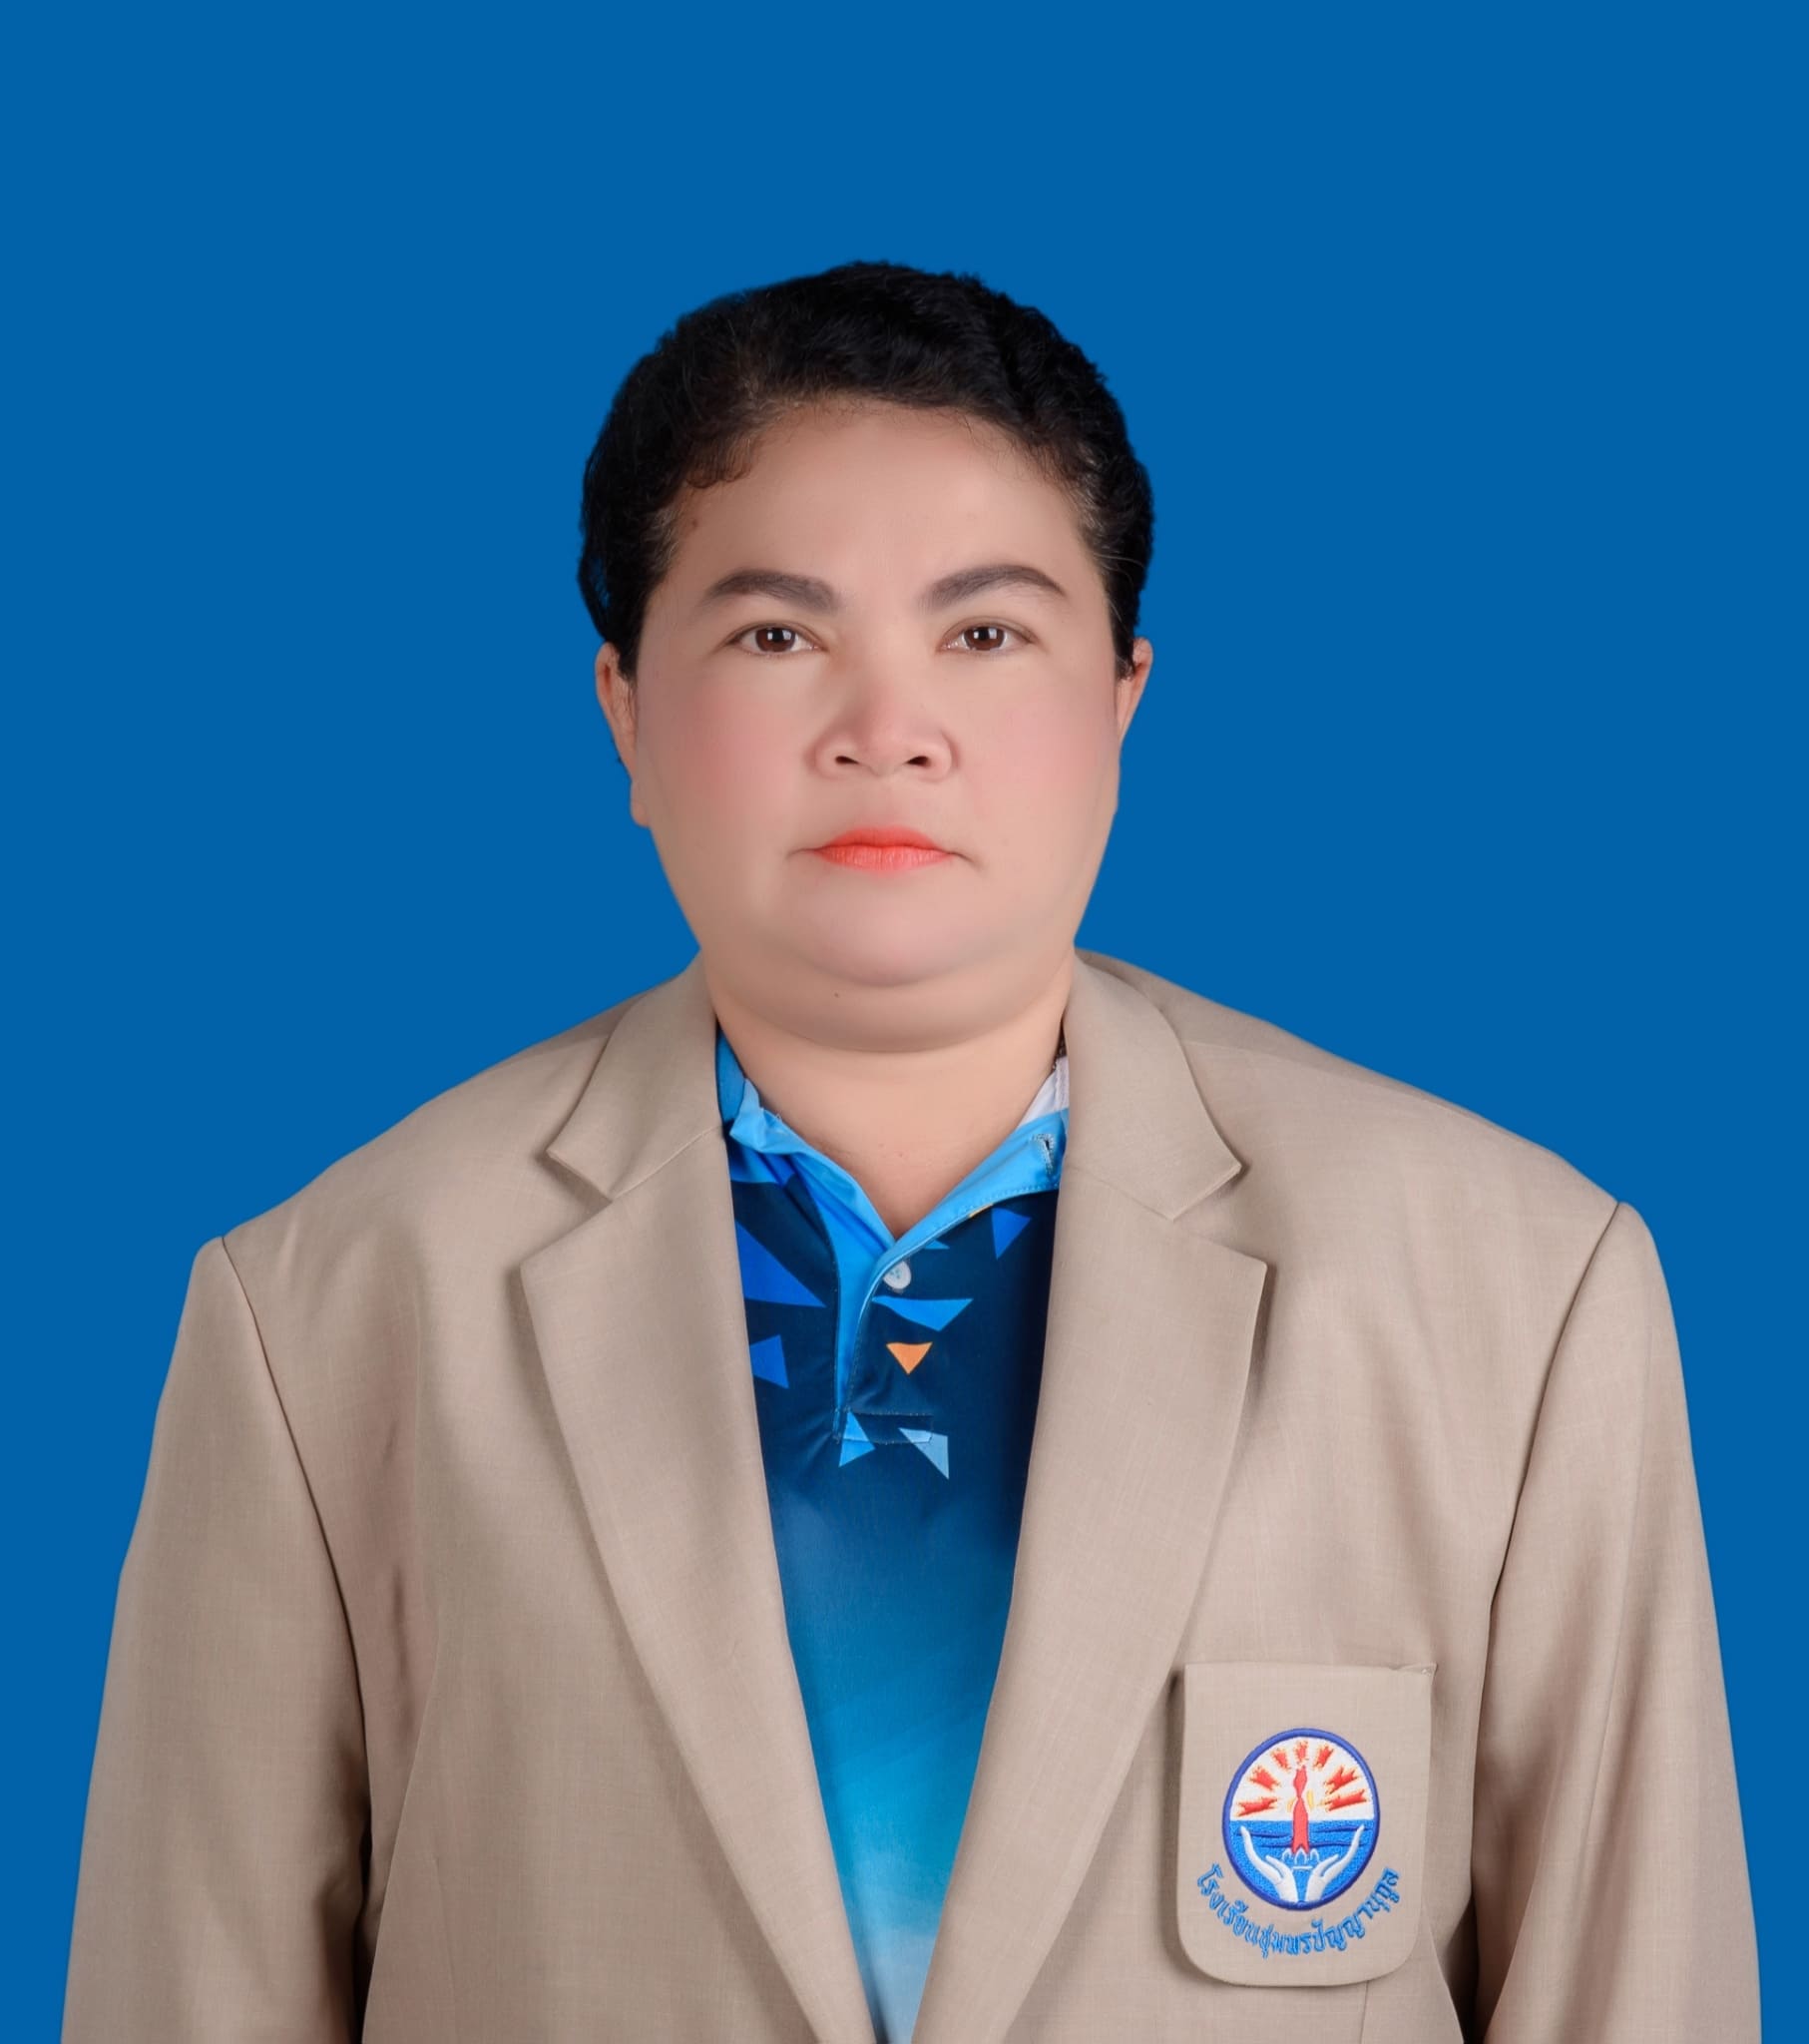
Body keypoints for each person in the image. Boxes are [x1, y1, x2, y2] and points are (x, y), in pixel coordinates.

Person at [63, 258, 1759, 2043]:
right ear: (624, 710)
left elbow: (1634, 1988)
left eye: (985, 633)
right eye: (775, 636)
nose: (887, 730)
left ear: (1121, 699)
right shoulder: (329, 1309)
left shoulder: (1513, 1289)